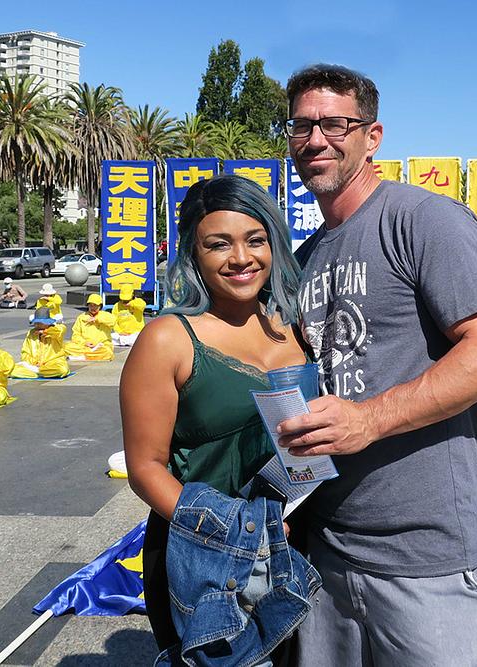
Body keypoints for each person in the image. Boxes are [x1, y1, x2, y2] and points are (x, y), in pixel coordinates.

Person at [274, 65, 477, 666]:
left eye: (335, 123)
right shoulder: (304, 256)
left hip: (423, 557)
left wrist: (370, 420)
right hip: (326, 552)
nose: (316, 140)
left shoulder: (423, 220)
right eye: (301, 126)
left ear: (372, 136)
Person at [120, 175, 310, 654]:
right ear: (193, 255)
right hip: (204, 555)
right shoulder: (168, 338)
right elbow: (144, 468)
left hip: (294, 545)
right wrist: (234, 532)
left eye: (256, 240)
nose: (242, 258)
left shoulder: (295, 326)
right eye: (219, 244)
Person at [11, 307, 70, 379]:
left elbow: (61, 329)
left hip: (53, 362)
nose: (37, 325)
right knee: (12, 370)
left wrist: (46, 332)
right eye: (36, 323)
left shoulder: (56, 330)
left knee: (62, 370)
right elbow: (25, 352)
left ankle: (38, 372)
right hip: (34, 364)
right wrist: (34, 362)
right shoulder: (31, 333)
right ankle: (39, 372)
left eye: (40, 323)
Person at [65, 294, 115, 361]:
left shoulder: (106, 315)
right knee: (66, 347)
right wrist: (84, 342)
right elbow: (76, 335)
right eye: (91, 305)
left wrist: (97, 319)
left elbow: (113, 322)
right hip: (85, 346)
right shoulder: (81, 317)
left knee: (107, 352)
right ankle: (88, 355)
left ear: (100, 306)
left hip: (101, 346)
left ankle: (81, 357)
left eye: (95, 306)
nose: (93, 308)